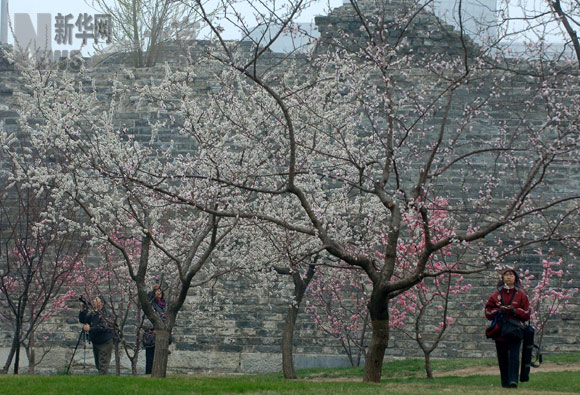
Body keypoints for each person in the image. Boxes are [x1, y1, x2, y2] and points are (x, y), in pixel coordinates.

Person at [485, 268, 530, 388]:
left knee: (515, 356)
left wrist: (515, 311)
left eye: (511, 275)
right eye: (506, 275)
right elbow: (488, 312)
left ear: (515, 278)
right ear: (503, 278)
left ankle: (513, 380)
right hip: (500, 330)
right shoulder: (495, 295)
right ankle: (505, 382)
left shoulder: (521, 295)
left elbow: (526, 313)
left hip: (515, 330)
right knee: (502, 357)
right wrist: (498, 311)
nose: (508, 277)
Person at [78, 296, 114, 375]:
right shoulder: (94, 313)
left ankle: (103, 381)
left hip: (105, 341)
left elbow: (103, 327)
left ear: (101, 303)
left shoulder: (106, 313)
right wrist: (83, 310)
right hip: (96, 341)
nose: (94, 301)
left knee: (103, 364)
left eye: (96, 300)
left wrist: (90, 329)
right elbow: (83, 320)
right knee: (98, 364)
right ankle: (100, 381)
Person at [143, 287, 167, 374]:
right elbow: (145, 321)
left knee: (161, 357)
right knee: (150, 357)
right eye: (156, 291)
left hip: (162, 334)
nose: (159, 292)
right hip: (151, 335)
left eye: (160, 290)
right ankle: (149, 374)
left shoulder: (164, 304)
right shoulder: (150, 305)